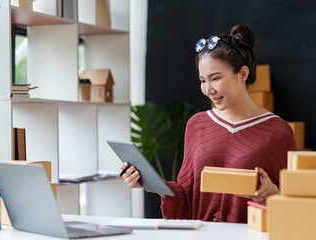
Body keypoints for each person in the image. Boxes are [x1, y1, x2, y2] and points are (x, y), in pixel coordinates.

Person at [120, 24, 296, 223]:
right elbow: (187, 197)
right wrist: (149, 181)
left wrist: (272, 193)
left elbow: (293, 209)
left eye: (216, 78)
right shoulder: (197, 124)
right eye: (203, 80)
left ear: (243, 74)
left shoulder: (278, 132)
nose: (208, 89)